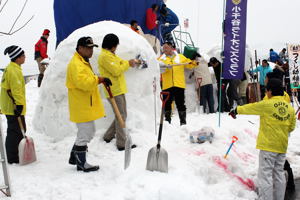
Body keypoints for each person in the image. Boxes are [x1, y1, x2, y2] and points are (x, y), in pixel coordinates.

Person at [229, 78, 296, 200]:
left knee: (265, 176)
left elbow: (251, 107)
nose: (266, 93)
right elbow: (291, 127)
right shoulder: (289, 108)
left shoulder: (267, 104)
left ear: (270, 91)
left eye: (267, 90)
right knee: (279, 173)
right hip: (282, 146)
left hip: (268, 147)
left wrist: (236, 110)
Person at [66, 36, 112, 172]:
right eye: (88, 48)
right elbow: (83, 82)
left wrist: (99, 79)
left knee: (89, 132)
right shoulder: (76, 64)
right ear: (80, 48)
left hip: (85, 104)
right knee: (85, 134)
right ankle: (81, 163)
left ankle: (74, 157)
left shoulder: (83, 61)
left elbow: (87, 79)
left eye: (92, 48)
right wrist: (99, 79)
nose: (90, 51)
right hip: (81, 105)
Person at [98, 33, 138, 151]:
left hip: (118, 89)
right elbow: (116, 70)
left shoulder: (111, 55)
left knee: (120, 115)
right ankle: (122, 143)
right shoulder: (105, 56)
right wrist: (128, 64)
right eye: (116, 45)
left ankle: (108, 136)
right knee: (121, 115)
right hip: (113, 90)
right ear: (112, 45)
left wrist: (128, 62)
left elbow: (121, 62)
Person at [158, 41, 198, 125]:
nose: (164, 49)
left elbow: (189, 64)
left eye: (166, 47)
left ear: (171, 47)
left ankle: (183, 122)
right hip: (167, 85)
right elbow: (156, 67)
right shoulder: (161, 59)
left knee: (180, 103)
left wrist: (194, 62)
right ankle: (167, 121)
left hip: (179, 84)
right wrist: (164, 66)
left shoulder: (180, 57)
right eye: (163, 47)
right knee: (167, 103)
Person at [0, 45, 26, 164]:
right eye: (22, 55)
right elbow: (16, 90)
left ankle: (15, 153)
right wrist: (19, 106)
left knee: (16, 130)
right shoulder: (14, 71)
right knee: (15, 132)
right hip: (13, 106)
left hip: (10, 106)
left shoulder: (11, 68)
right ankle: (12, 157)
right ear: (17, 58)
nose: (25, 57)